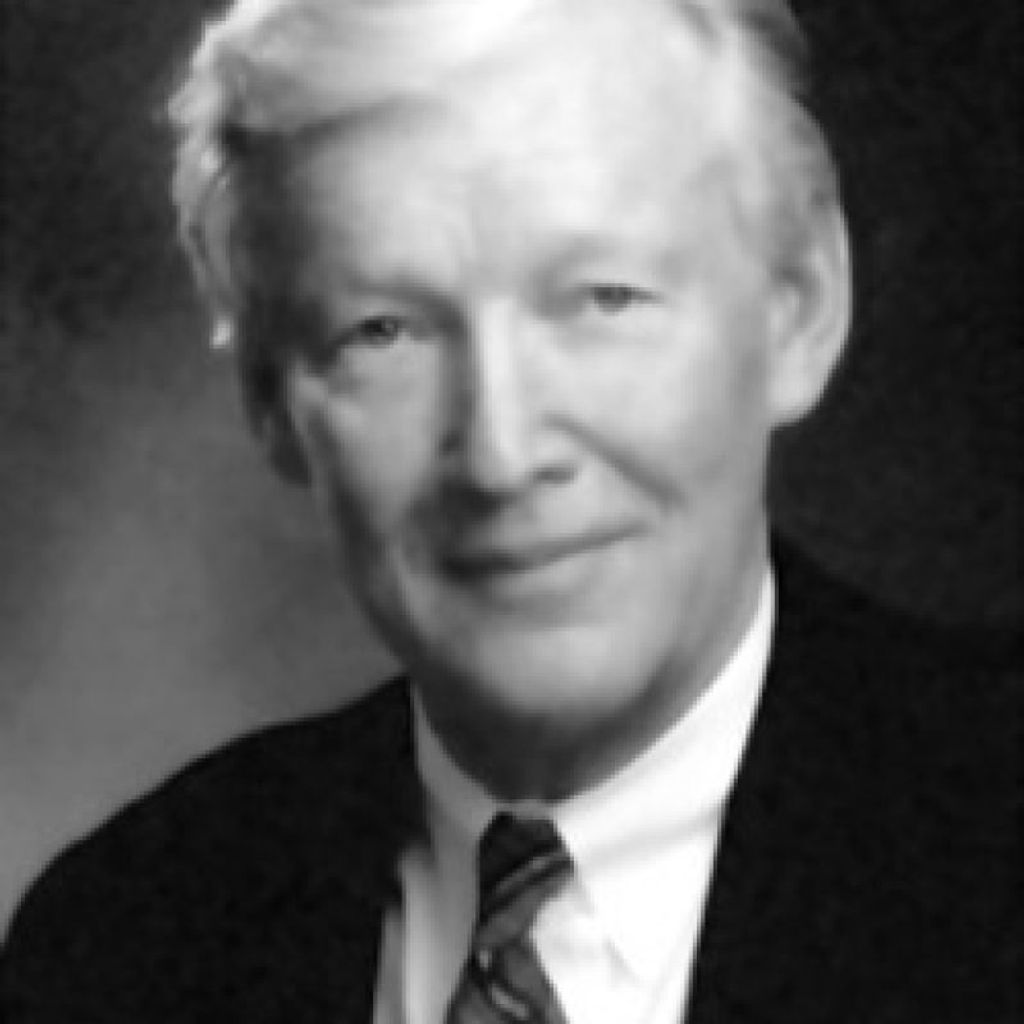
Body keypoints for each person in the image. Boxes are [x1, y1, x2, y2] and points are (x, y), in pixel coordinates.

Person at [2, 0, 1017, 1021]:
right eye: (384, 330)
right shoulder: (116, 943)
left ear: (797, 308)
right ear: (271, 403)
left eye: (602, 298)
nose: (500, 452)